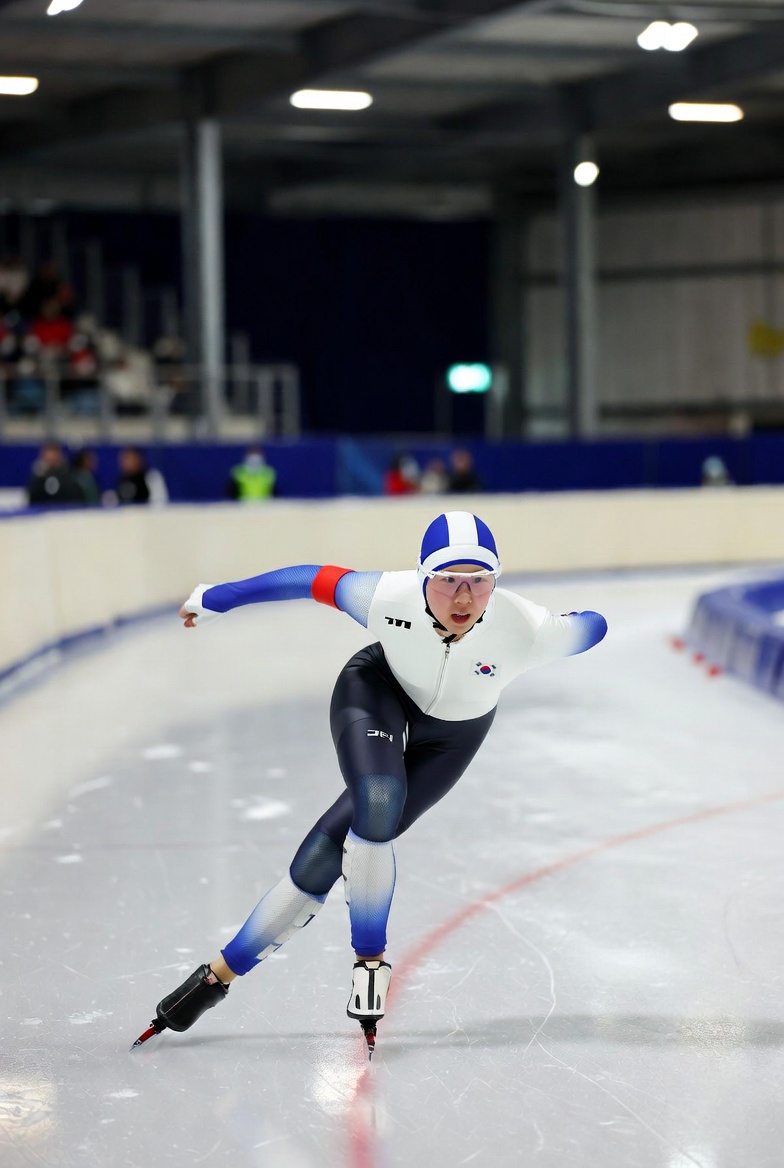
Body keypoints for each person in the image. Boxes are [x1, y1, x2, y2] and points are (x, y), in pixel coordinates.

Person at [132, 511, 607, 1054]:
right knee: (378, 800)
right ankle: (370, 961)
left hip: (453, 736)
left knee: (327, 854)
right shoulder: (384, 595)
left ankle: (215, 978)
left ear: (496, 582)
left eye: (479, 580)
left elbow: (592, 627)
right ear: (423, 577)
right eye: (449, 578)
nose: (463, 595)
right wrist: (220, 596)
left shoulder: (525, 628)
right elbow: (308, 578)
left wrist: (580, 620)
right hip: (375, 689)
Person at [26, 441, 86, 506]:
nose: (52, 458)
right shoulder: (37, 478)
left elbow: (75, 495)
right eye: (49, 457)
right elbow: (33, 499)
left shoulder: (69, 476)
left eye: (54, 455)